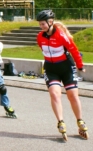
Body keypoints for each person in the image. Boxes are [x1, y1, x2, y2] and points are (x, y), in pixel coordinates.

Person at [36, 10, 88, 141]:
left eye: (43, 24)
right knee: (54, 94)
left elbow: (74, 50)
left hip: (66, 68)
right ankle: (60, 122)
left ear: (50, 22)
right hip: (51, 68)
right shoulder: (40, 37)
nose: (41, 27)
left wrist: (80, 65)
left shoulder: (61, 35)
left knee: (72, 95)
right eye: (40, 24)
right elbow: (43, 50)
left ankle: (80, 120)